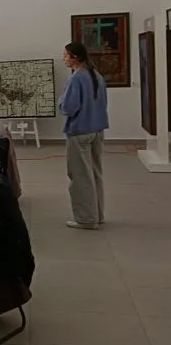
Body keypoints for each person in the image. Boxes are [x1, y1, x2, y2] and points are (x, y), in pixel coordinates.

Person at [59, 42, 109, 230]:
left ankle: (86, 219)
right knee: (95, 174)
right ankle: (98, 214)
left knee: (80, 176)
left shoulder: (76, 78)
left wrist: (61, 101)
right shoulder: (96, 75)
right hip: (97, 130)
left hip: (79, 132)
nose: (64, 59)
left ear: (75, 57)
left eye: (66, 55)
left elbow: (68, 108)